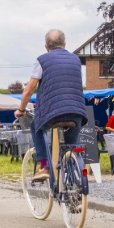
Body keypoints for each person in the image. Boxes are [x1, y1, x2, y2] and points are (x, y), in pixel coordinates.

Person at [16, 29, 88, 182]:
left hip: (52, 113)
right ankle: (76, 193)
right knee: (71, 149)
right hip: (77, 112)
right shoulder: (76, 60)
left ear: (46, 47)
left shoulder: (42, 60)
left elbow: (29, 90)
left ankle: (44, 165)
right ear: (64, 44)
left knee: (36, 128)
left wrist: (21, 110)